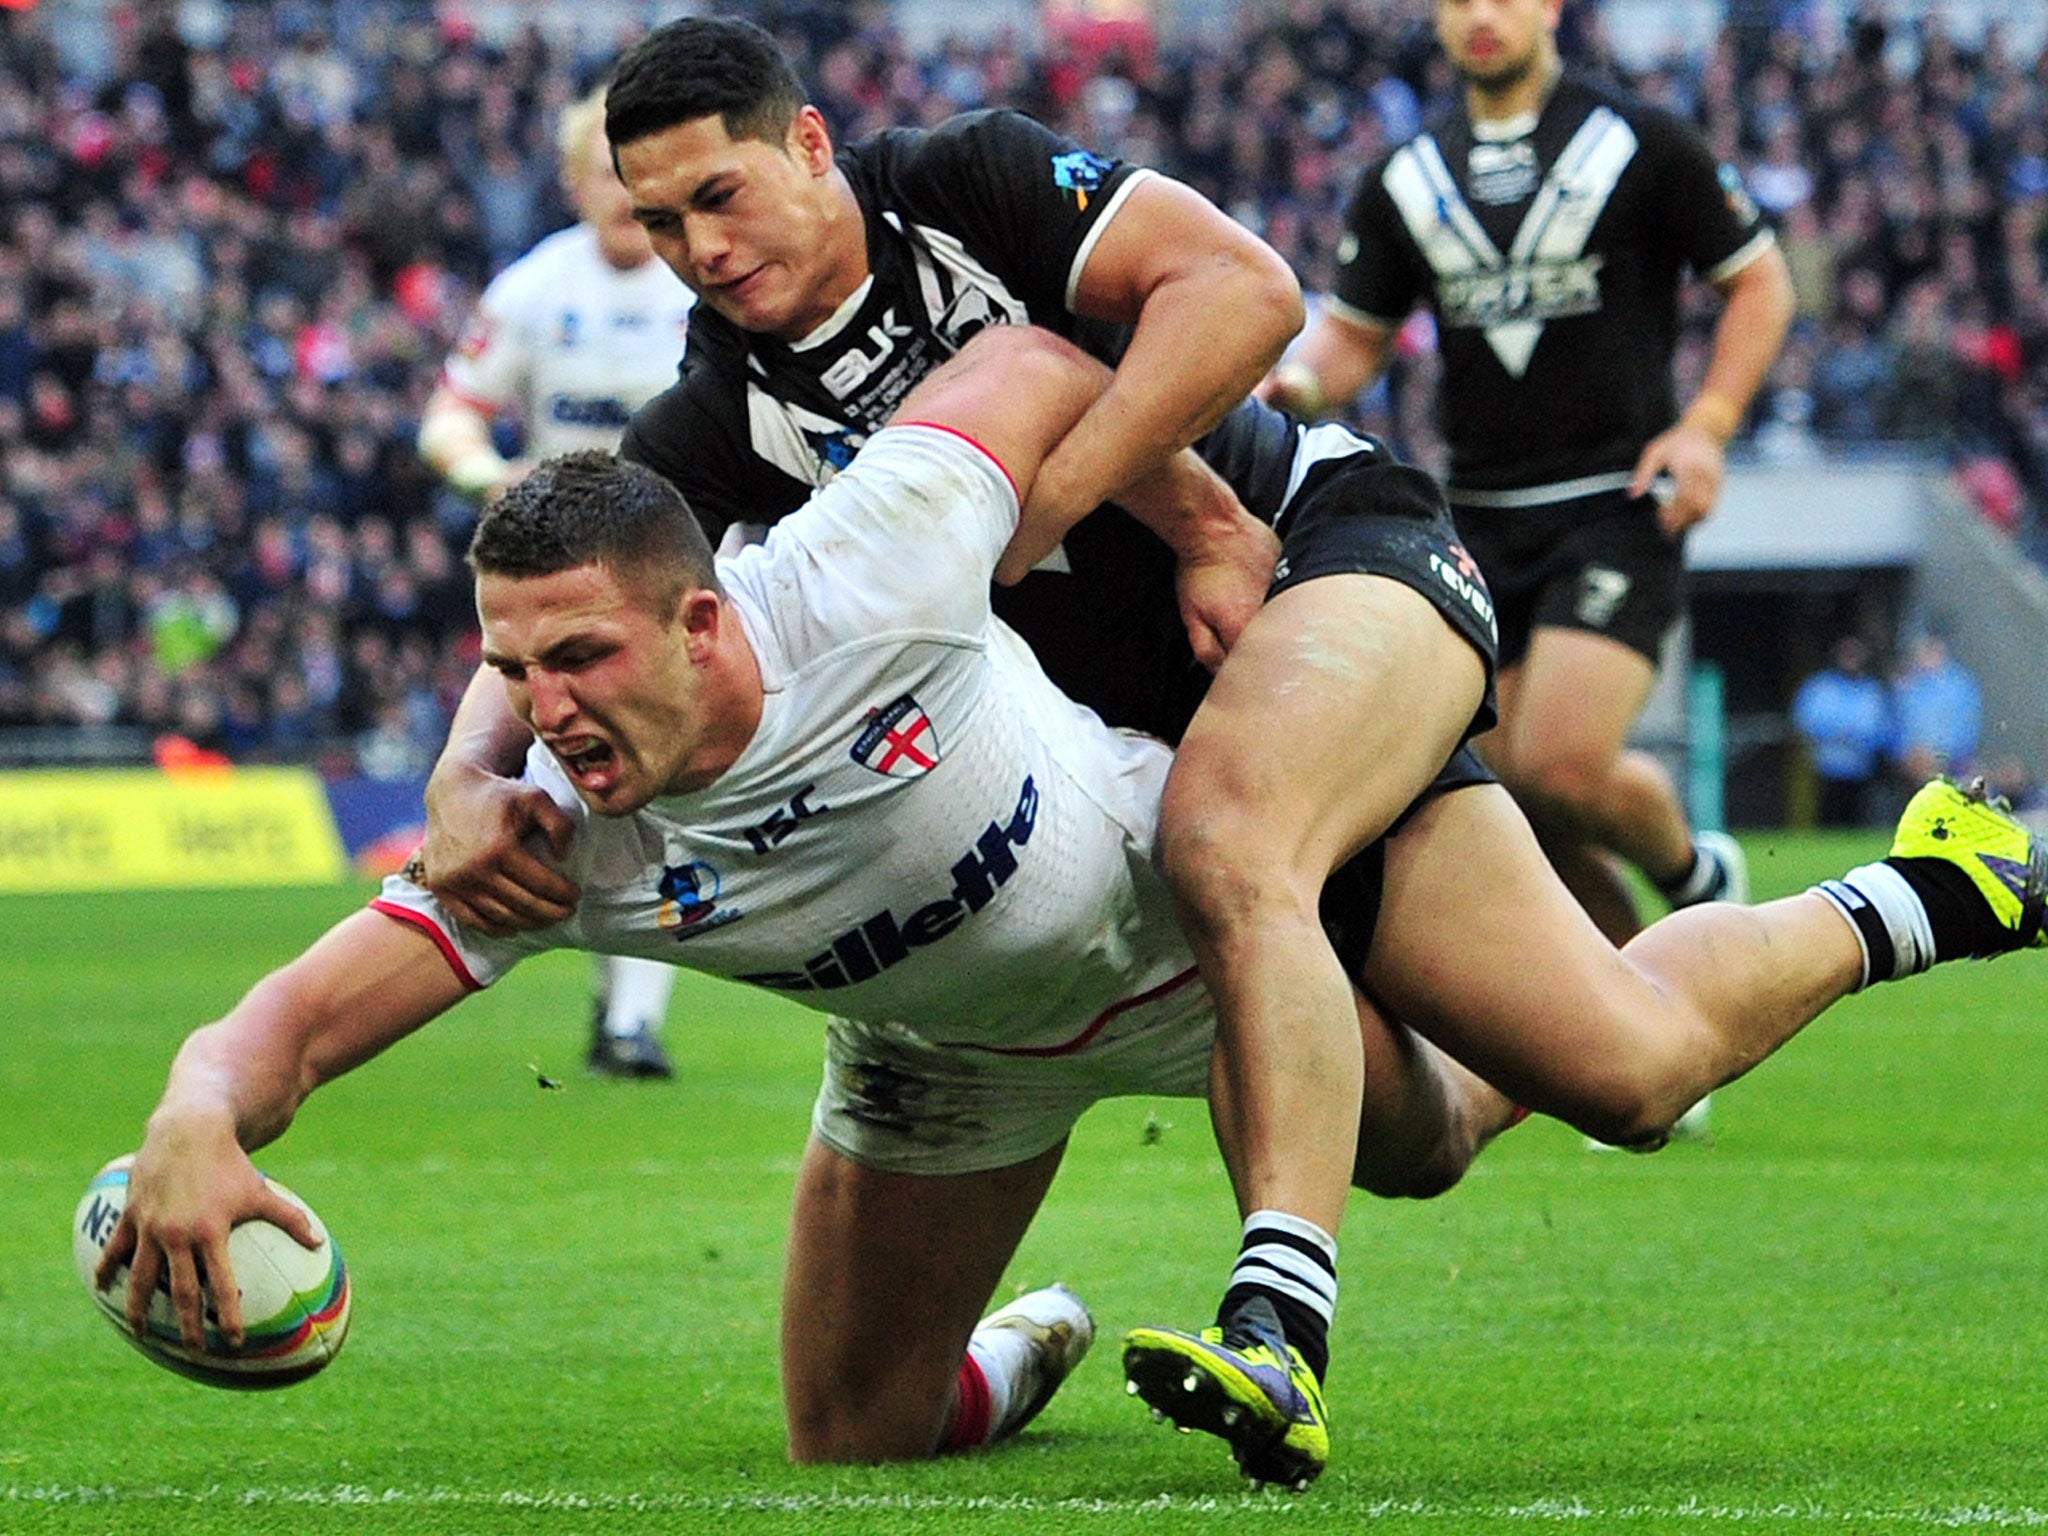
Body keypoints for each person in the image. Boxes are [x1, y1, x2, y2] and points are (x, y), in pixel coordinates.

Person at [105, 329, 2048, 1493]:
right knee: (850, 1437)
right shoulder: (542, 826)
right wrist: (195, 1120)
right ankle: (1034, 1337)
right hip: (941, 1059)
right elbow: (273, 1024)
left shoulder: (866, 566)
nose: (546, 714)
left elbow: (1037, 362)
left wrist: (1207, 522)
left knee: (1537, 1106)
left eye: (580, 662)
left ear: (705, 618)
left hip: (1212, 924)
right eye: (510, 675)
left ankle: (1918, 885)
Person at [413, 14, 1502, 1479]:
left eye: (717, 200)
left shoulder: (966, 183)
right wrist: (464, 769)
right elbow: (586, 578)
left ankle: (1280, 1326)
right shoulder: (713, 402)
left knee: (1566, 1035)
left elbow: (1245, 295)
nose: (695, 247)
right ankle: (1043, 1328)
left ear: (809, 146)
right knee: (855, 1431)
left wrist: (1081, 519)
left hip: (1300, 569)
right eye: (658, 220)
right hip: (1092, 739)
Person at [1259, 0, 1797, 949]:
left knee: (1561, 764)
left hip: (1617, 501)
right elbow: (1354, 336)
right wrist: (1292, 384)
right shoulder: (1406, 177)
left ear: (1550, 7)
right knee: (1518, 803)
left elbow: (1759, 281)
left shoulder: (1639, 141)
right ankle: (1639, 1012)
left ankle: (1696, 872)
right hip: (1476, 518)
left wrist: (1707, 428)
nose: (1481, 15)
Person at [416, 87, 697, 1079]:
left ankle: (630, 1019)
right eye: (604, 172)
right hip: (549, 576)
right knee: (592, 777)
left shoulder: (698, 283)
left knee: (651, 773)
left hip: (666, 568)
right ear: (575, 183)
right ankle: (610, 994)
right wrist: (490, 481)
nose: (624, 193)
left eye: (637, 172)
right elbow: (448, 418)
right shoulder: (533, 290)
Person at [1791, 635, 1892, 828]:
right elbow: (1805, 720)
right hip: (1827, 765)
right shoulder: (1820, 687)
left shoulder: (1872, 690)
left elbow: (1885, 726)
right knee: (1828, 815)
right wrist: (1836, 735)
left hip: (1861, 766)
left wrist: (1864, 740)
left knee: (1858, 816)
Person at [1889, 631, 1983, 797]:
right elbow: (1897, 722)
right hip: (1912, 758)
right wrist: (1905, 751)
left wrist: (1940, 753)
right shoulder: (1907, 684)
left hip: (1951, 758)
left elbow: (1967, 727)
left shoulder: (1960, 684)